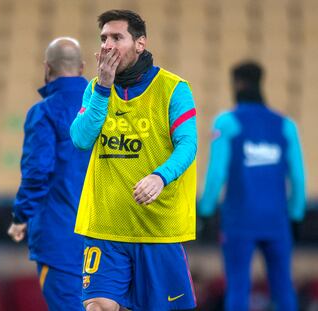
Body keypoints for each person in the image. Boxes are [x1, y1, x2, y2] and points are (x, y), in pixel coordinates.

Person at [70, 10, 198, 311]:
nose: (108, 46)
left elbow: (188, 144)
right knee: (97, 306)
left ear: (140, 43)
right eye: (103, 39)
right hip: (106, 225)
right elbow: (80, 138)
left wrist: (160, 176)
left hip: (157, 228)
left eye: (117, 37)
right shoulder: (94, 88)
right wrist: (103, 88)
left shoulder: (174, 88)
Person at [199, 61, 306, 311]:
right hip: (277, 221)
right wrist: (296, 215)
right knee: (283, 290)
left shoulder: (226, 122)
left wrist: (205, 211)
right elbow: (299, 177)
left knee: (238, 289)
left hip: (239, 220)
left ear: (236, 84)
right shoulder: (285, 125)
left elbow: (216, 174)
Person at [8, 37, 90, 311]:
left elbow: (37, 172)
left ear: (47, 67)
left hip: (61, 238)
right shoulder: (110, 109)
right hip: (110, 241)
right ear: (82, 68)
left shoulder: (44, 112)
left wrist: (21, 216)